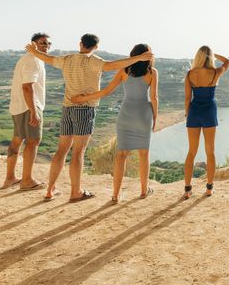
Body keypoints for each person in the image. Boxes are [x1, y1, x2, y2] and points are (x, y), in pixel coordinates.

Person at [25, 34, 153, 202]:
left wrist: (34, 51)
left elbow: (48, 59)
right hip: (85, 109)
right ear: (96, 47)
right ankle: (76, 192)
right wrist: (140, 57)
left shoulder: (67, 59)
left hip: (67, 108)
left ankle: (50, 189)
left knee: (62, 150)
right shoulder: (95, 61)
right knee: (78, 152)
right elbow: (114, 65)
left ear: (80, 44)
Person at [72, 43, 158, 204]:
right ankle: (143, 191)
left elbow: (106, 91)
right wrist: (155, 118)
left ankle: (115, 195)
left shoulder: (124, 70)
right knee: (143, 154)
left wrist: (82, 98)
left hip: (125, 114)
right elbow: (154, 98)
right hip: (143, 115)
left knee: (121, 155)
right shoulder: (152, 72)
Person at [2, 32, 50, 190]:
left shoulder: (27, 59)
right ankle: (27, 180)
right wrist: (33, 110)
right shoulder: (34, 60)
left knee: (17, 139)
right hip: (28, 106)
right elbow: (27, 87)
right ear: (33, 44)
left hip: (18, 106)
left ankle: (10, 178)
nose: (46, 46)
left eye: (48, 44)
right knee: (33, 141)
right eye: (43, 43)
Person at [182, 46, 229, 199]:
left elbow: (187, 98)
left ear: (198, 57)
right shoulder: (215, 73)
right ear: (210, 57)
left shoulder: (190, 74)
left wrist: (187, 113)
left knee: (191, 152)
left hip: (194, 113)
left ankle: (187, 189)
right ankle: (209, 188)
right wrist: (213, 54)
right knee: (210, 152)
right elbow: (228, 62)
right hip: (209, 111)